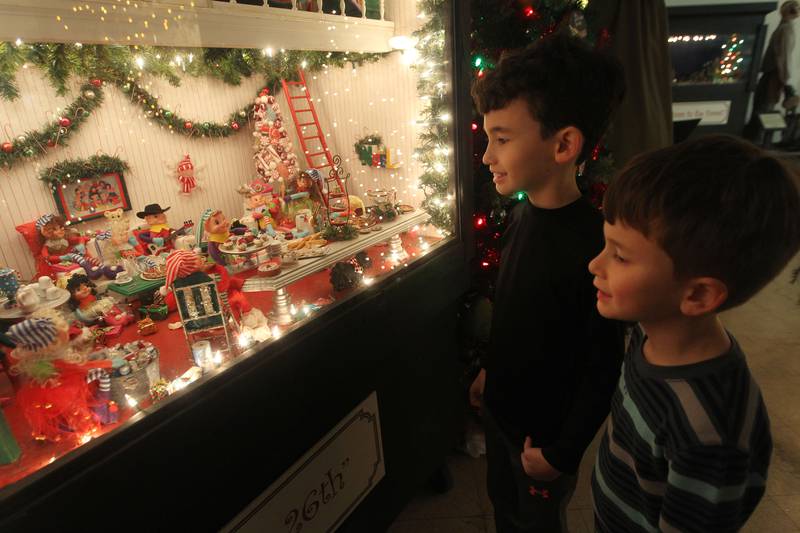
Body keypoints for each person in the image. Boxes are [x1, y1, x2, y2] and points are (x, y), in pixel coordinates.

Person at [589, 135, 800, 532]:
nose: (594, 265)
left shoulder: (711, 433)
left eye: (619, 255)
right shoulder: (646, 334)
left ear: (699, 293)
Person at [470, 33, 626, 532]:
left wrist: (563, 451)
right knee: (504, 509)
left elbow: (603, 364)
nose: (487, 157)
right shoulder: (522, 217)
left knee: (535, 523)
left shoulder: (594, 246)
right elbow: (516, 314)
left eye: (502, 138)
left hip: (543, 441)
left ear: (563, 145)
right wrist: (490, 372)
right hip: (501, 413)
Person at [744, 0, 800, 140]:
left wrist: (784, 79)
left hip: (773, 76)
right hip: (773, 75)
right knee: (763, 109)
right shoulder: (785, 28)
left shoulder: (785, 29)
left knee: (764, 110)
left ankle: (756, 141)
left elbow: (783, 57)